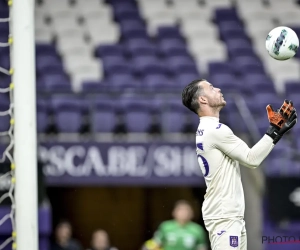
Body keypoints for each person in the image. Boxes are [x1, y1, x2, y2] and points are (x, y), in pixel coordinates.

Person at [181, 79, 297, 250]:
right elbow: (251, 159)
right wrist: (275, 130)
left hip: (227, 216)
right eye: (211, 88)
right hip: (224, 217)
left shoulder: (209, 129)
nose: (218, 88)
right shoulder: (215, 130)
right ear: (203, 100)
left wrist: (276, 131)